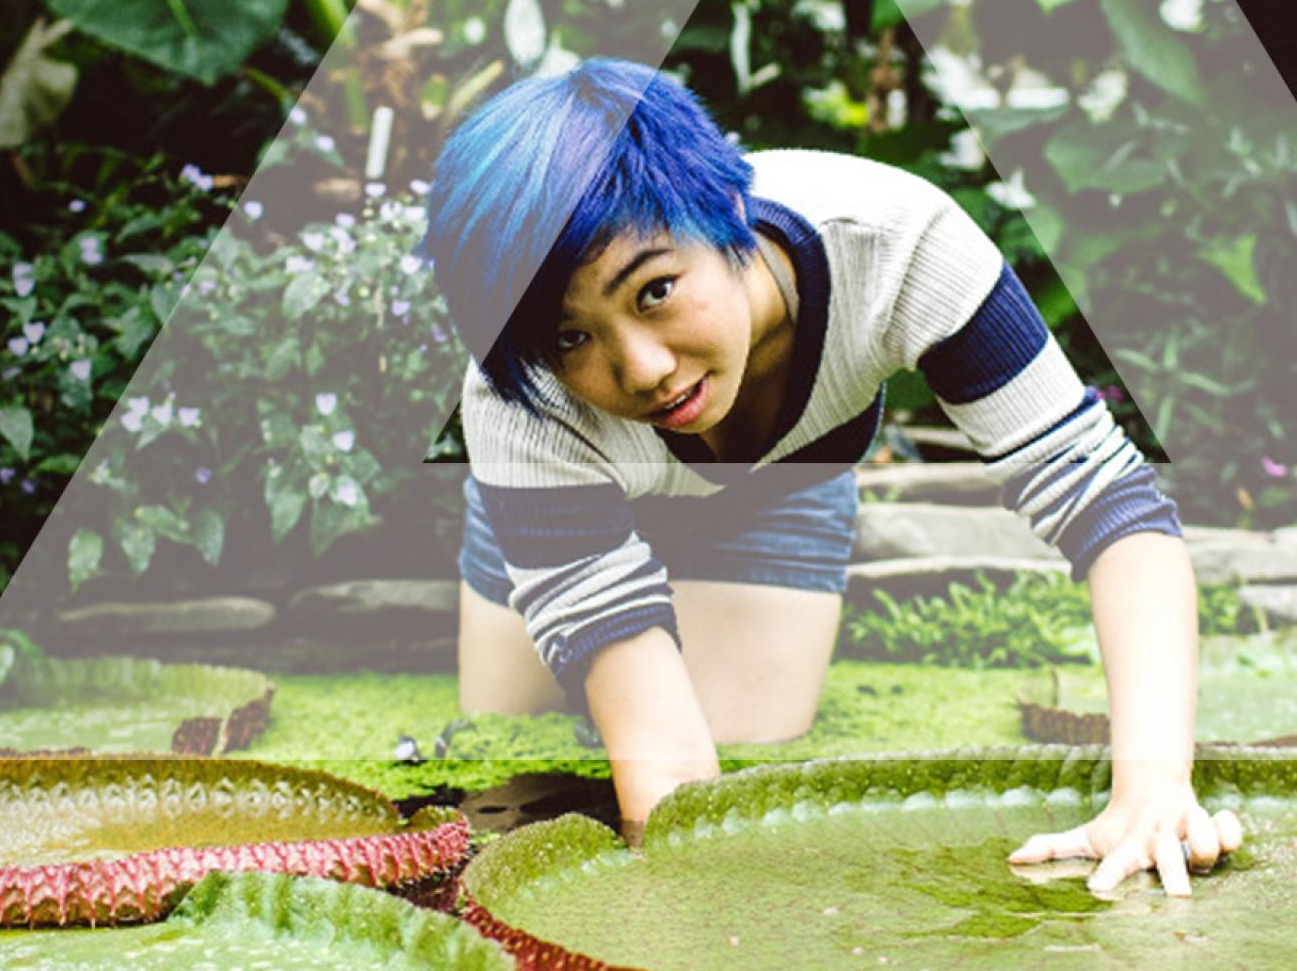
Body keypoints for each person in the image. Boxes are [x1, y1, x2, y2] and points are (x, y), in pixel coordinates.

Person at [420, 57, 1244, 896]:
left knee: (755, 744)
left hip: (770, 493)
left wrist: (1151, 789)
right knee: (512, 761)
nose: (643, 368)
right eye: (569, 339)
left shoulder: (902, 246)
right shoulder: (515, 401)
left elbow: (1113, 508)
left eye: (656, 290)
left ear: (727, 214)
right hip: (573, 492)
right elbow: (665, 794)